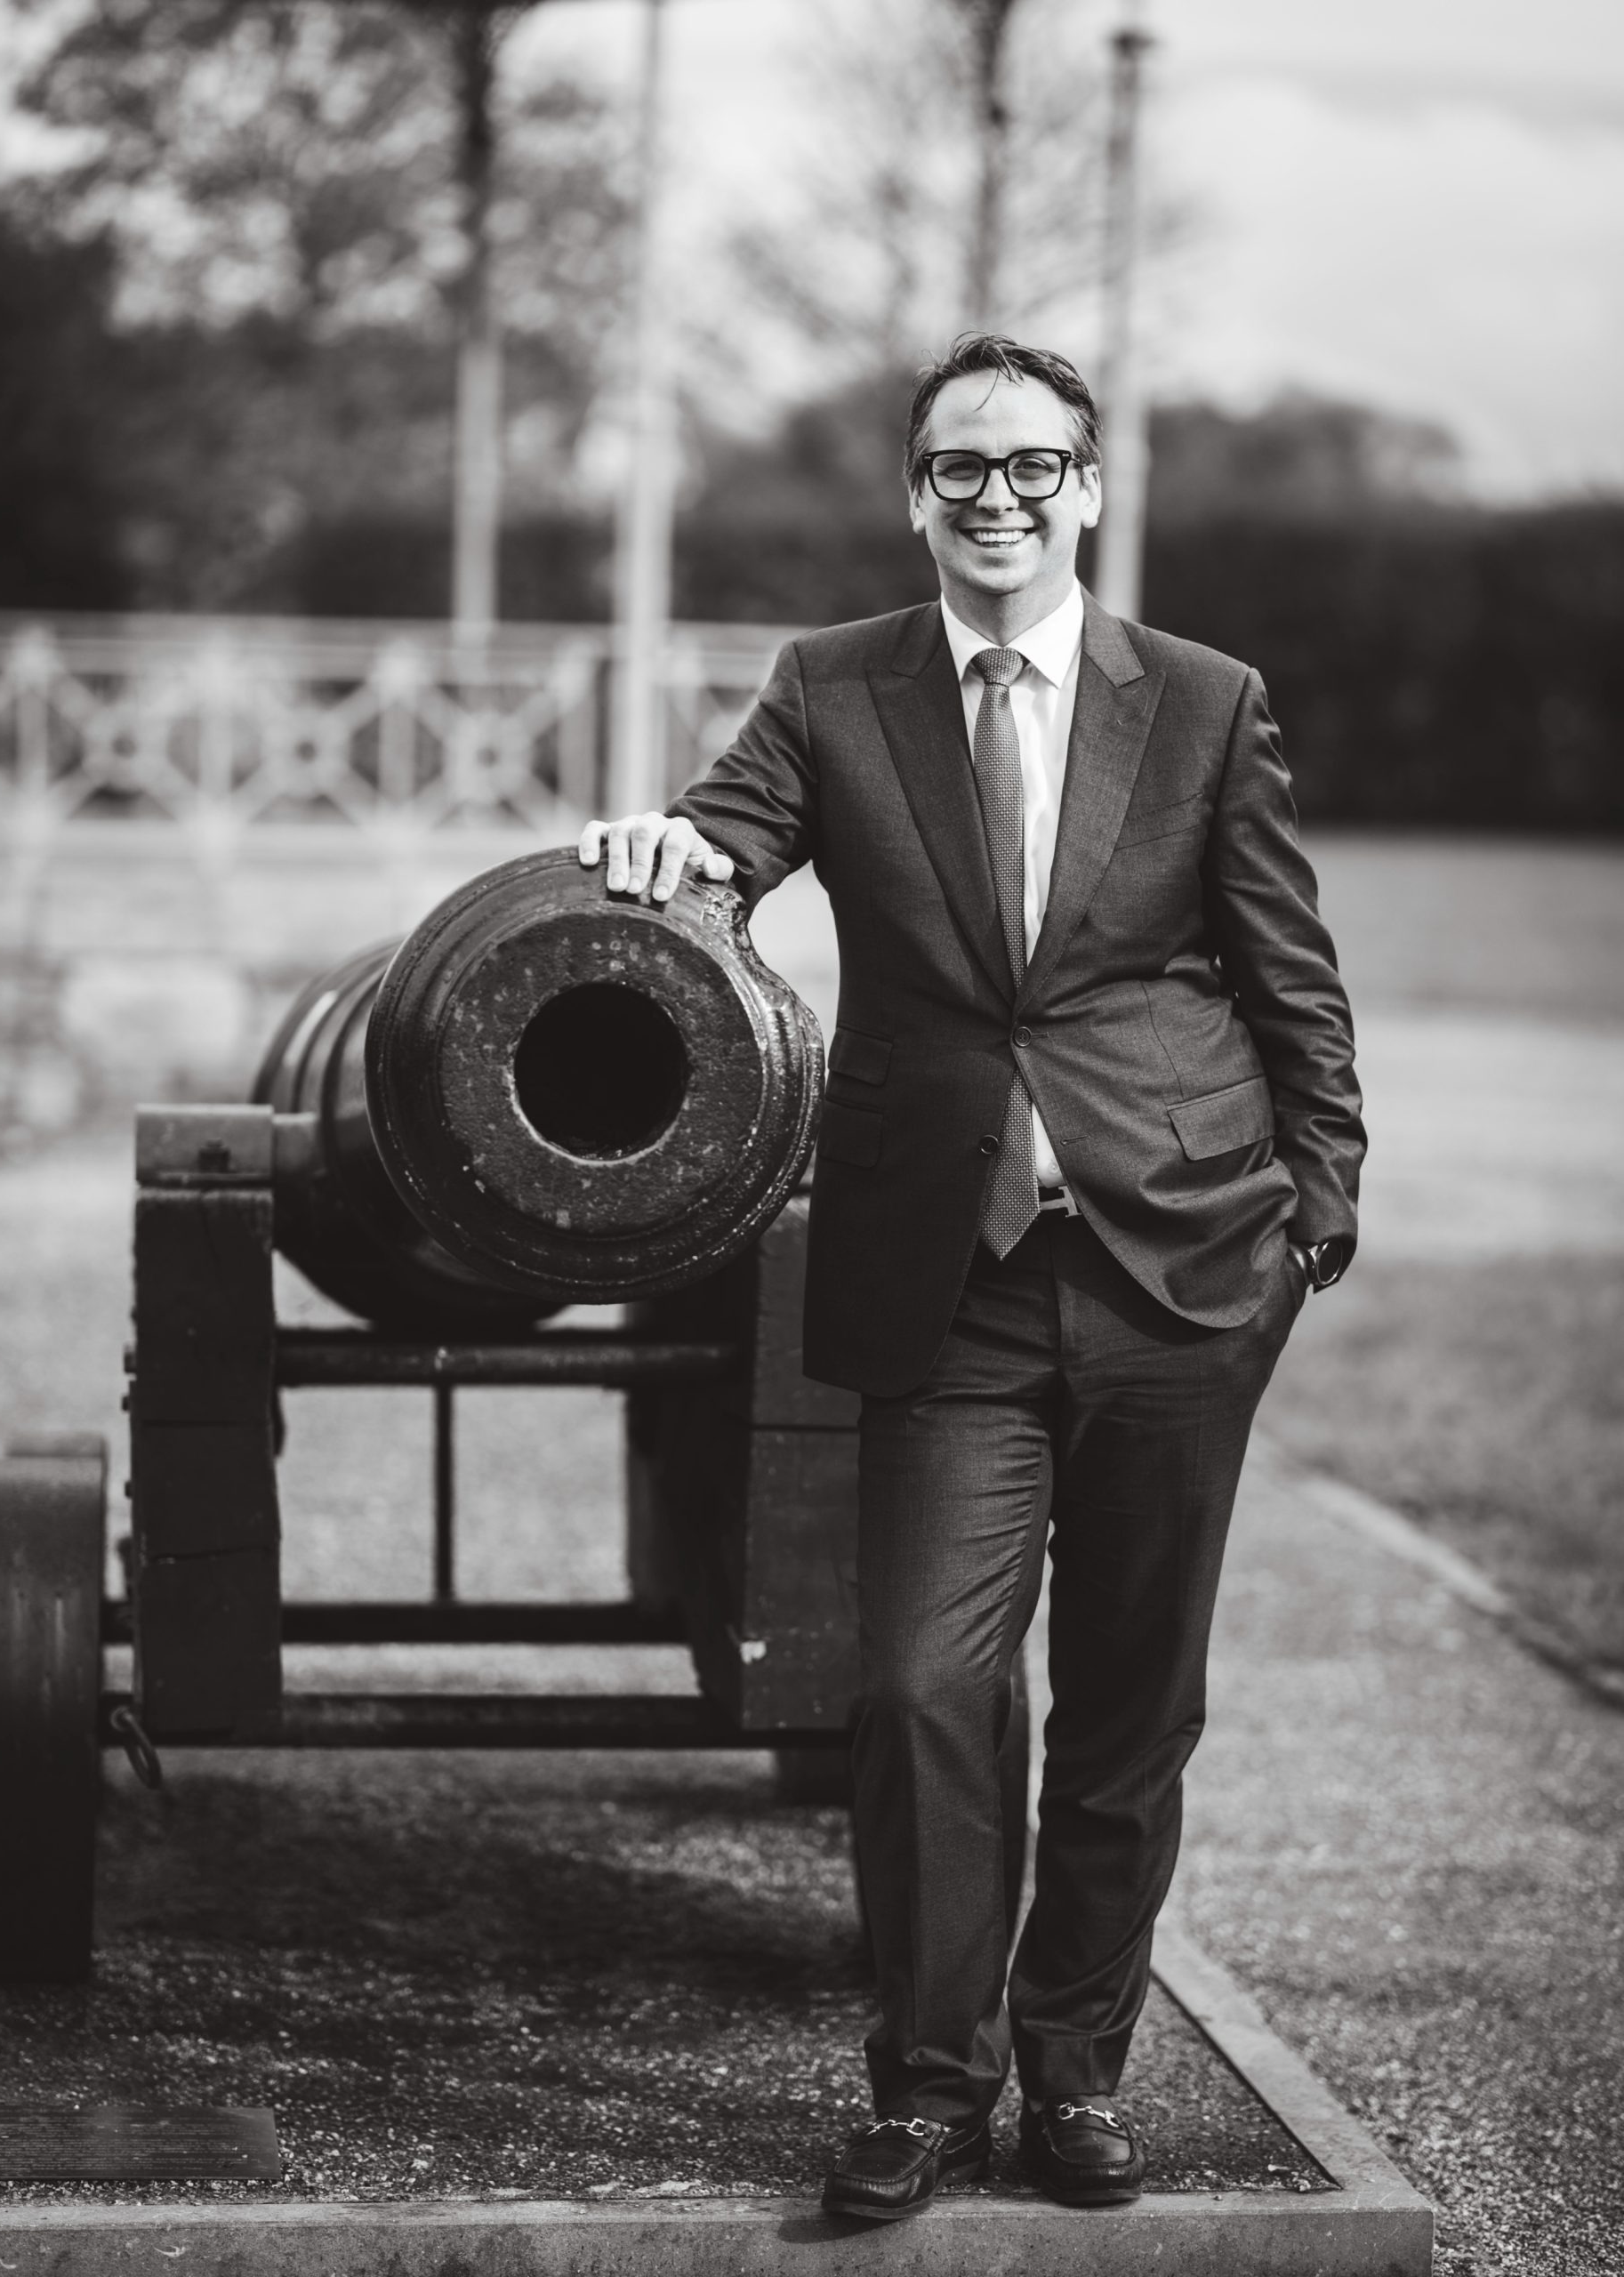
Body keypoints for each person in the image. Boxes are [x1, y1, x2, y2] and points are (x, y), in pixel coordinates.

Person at [577, 333, 1363, 2218]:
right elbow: (732, 832)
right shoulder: (833, 684)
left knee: (1129, 1707)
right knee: (924, 1687)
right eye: (959, 468)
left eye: (1030, 467)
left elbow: (1289, 971)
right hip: (949, 1276)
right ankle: (931, 2085)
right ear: (916, 495)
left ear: (1085, 488)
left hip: (1180, 1268)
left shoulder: (1202, 700)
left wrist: (1315, 1211)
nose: (995, 497)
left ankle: (1076, 2078)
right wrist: (673, 848)